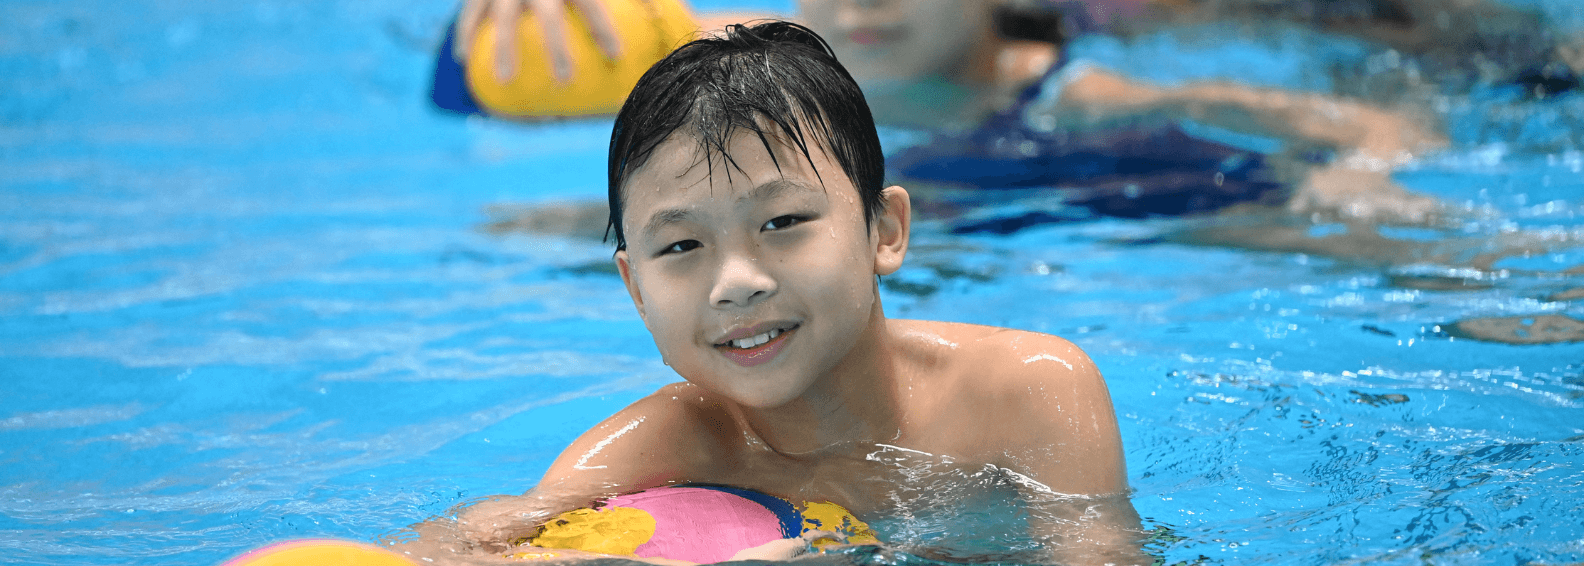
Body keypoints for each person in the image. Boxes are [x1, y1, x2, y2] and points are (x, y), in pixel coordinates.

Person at [395, 21, 1147, 566]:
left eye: (782, 224)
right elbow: (459, 550)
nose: (736, 282)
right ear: (635, 289)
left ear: (885, 230)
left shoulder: (1026, 391)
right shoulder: (669, 443)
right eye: (682, 247)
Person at [442, 0, 1448, 227]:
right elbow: (474, 94)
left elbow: (1354, 120)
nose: (861, 10)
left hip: (1097, 196)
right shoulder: (754, 45)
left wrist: (1364, 167)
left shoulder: (1072, 90)